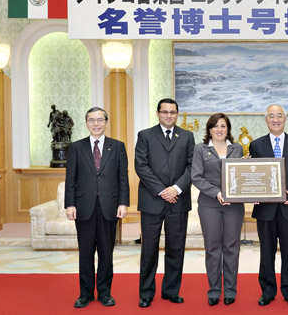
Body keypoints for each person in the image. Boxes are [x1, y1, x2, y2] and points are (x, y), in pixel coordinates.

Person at [65, 107, 129, 308]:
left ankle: (104, 292)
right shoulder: (76, 147)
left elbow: (123, 178)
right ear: (86, 123)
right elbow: (70, 179)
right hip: (84, 207)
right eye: (91, 120)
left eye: (99, 119)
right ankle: (85, 294)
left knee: (106, 253)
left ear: (106, 122)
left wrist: (123, 203)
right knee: (85, 253)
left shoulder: (117, 146)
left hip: (109, 207)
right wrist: (70, 204)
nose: (96, 124)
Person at [250, 104, 288, 308]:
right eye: (271, 116)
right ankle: (267, 291)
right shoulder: (256, 145)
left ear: (285, 119)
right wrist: (251, 192)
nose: (275, 119)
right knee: (266, 252)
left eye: (279, 116)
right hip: (265, 209)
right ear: (266, 120)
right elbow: (253, 174)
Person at [136, 98, 195, 308]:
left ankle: (171, 291)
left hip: (178, 201)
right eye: (165, 112)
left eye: (173, 112)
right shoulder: (145, 135)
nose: (169, 115)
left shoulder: (187, 136)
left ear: (177, 114)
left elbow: (192, 166)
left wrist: (176, 189)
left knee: (176, 248)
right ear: (158, 113)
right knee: (149, 249)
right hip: (152, 201)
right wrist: (162, 191)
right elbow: (141, 166)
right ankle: (146, 293)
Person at [191, 113, 244, 306]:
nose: (219, 129)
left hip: (234, 207)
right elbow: (196, 177)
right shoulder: (200, 149)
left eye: (223, 126)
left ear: (228, 129)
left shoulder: (237, 148)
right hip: (209, 205)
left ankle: (230, 289)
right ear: (209, 129)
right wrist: (217, 193)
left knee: (231, 247)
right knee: (213, 248)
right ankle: (214, 290)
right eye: (215, 126)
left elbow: (242, 175)